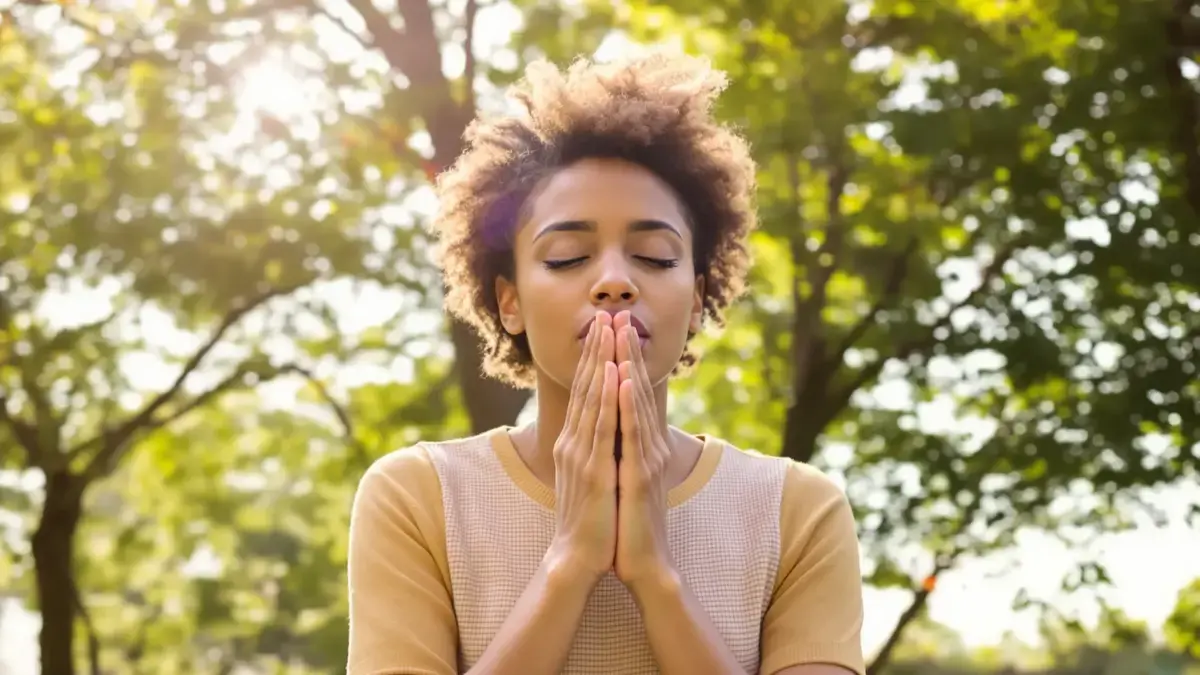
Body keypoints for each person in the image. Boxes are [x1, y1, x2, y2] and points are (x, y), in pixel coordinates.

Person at [347, 51, 866, 675]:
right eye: (568, 256)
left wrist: (656, 577)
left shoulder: (797, 511)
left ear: (696, 300)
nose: (615, 281)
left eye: (655, 257)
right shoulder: (417, 497)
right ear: (510, 302)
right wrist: (568, 562)